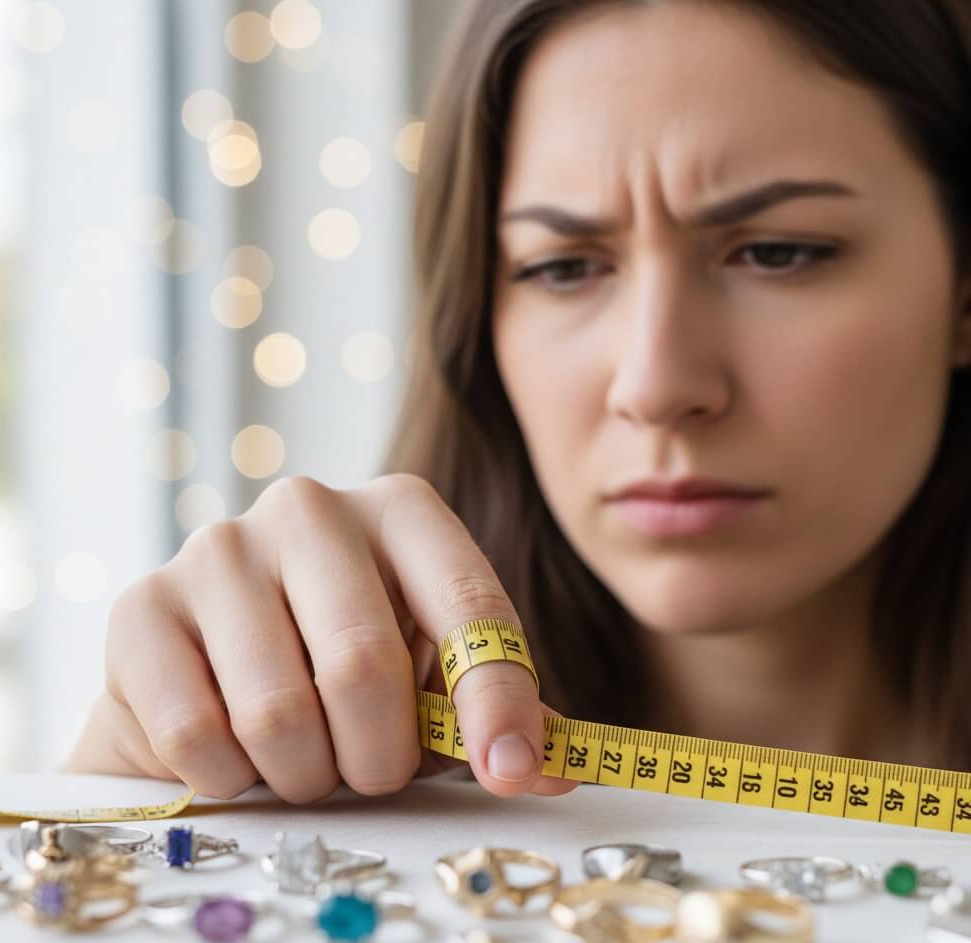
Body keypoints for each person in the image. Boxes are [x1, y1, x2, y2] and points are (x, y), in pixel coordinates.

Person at [64, 0, 971, 803]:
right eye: (563, 268)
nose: (654, 387)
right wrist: (118, 802)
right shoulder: (352, 775)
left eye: (779, 252)